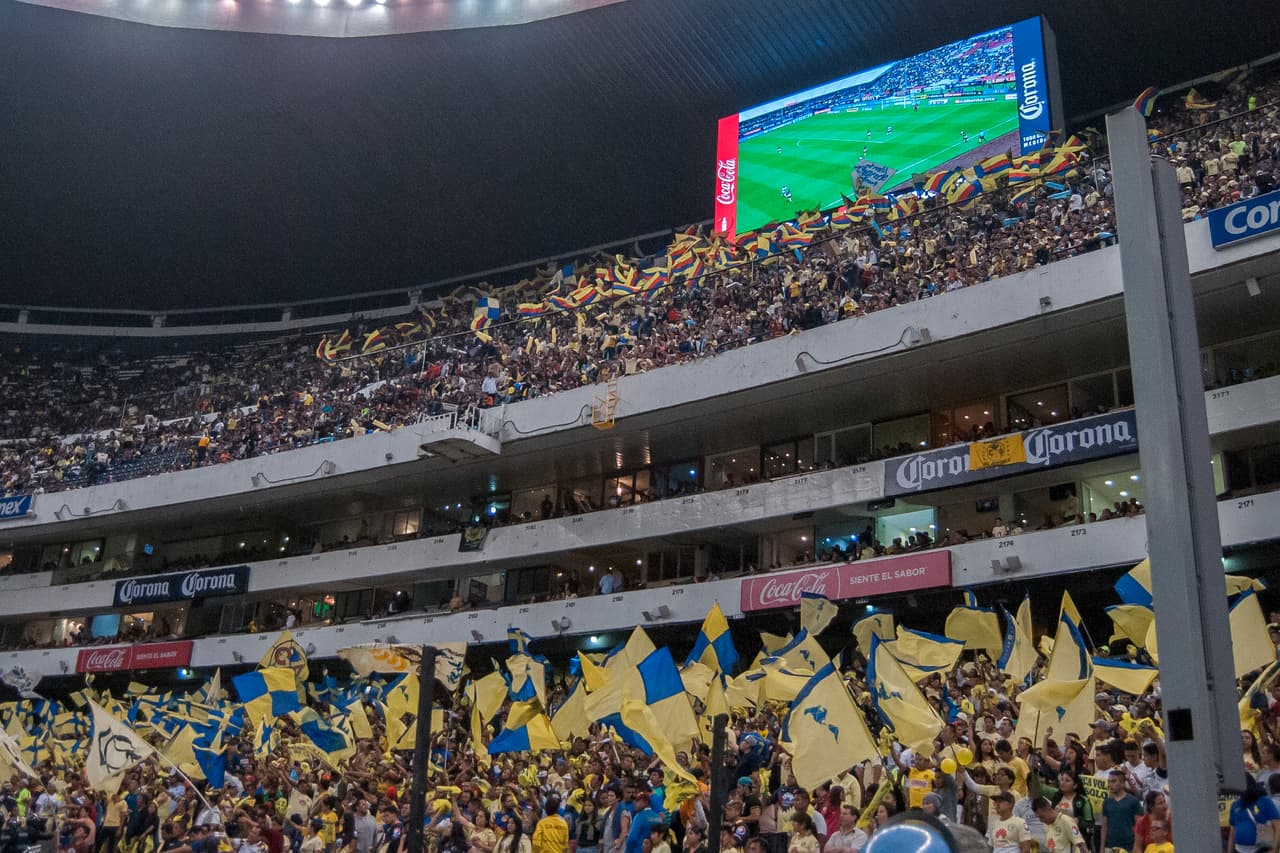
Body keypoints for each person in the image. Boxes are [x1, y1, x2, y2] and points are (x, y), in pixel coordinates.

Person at [1228, 776, 1280, 853]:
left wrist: (1273, 850)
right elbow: (1232, 832)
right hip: (1238, 850)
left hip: (1260, 849)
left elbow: (1277, 826)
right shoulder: (1235, 804)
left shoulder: (1265, 801)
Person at [1099, 769, 1142, 853]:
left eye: (1113, 781)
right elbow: (1104, 826)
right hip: (1110, 846)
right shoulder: (1106, 802)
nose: (1110, 784)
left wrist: (1137, 846)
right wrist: (1102, 848)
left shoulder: (1133, 801)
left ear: (1122, 783)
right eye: (1109, 781)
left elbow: (1139, 826)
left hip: (1129, 846)